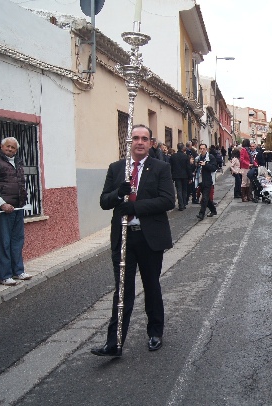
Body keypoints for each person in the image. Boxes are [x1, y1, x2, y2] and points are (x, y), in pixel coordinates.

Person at [92, 124, 175, 357]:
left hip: (149, 238)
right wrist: (119, 193)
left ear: (150, 143)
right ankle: (114, 342)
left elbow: (167, 200)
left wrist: (135, 206)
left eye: (144, 138)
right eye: (135, 138)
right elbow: (104, 201)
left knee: (151, 286)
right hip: (124, 238)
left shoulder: (161, 168)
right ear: (129, 142)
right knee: (122, 291)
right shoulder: (116, 168)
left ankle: (155, 332)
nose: (140, 142)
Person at [0, 137, 33, 286]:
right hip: (3, 210)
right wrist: (1, 204)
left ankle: (18, 271)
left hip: (17, 208)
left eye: (13, 147)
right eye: (8, 146)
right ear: (1, 146)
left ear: (16, 150)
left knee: (17, 240)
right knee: (4, 242)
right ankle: (3, 275)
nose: (10, 149)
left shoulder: (17, 162)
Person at [195, 143, 218, 220]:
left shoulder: (210, 157)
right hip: (200, 180)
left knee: (204, 198)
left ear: (206, 149)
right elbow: (196, 168)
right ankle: (213, 210)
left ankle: (201, 214)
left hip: (208, 181)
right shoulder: (198, 157)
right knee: (207, 199)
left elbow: (214, 168)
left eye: (203, 149)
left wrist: (206, 165)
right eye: (200, 149)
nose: (202, 150)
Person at [169, 142, 192, 211]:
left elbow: (171, 167)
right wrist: (190, 177)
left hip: (176, 175)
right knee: (184, 190)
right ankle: (184, 203)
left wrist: (172, 175)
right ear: (183, 148)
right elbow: (188, 167)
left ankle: (180, 204)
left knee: (179, 190)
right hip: (185, 175)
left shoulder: (173, 156)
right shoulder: (186, 156)